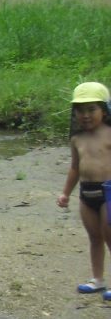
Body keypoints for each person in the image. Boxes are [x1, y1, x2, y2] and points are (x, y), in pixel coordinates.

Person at [57, 82, 111, 297]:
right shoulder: (76, 139)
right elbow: (75, 168)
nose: (85, 115)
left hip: (109, 191)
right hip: (86, 193)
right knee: (94, 236)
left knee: (110, 236)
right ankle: (97, 279)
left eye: (91, 109)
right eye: (80, 110)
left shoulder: (109, 133)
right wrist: (65, 193)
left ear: (104, 110)